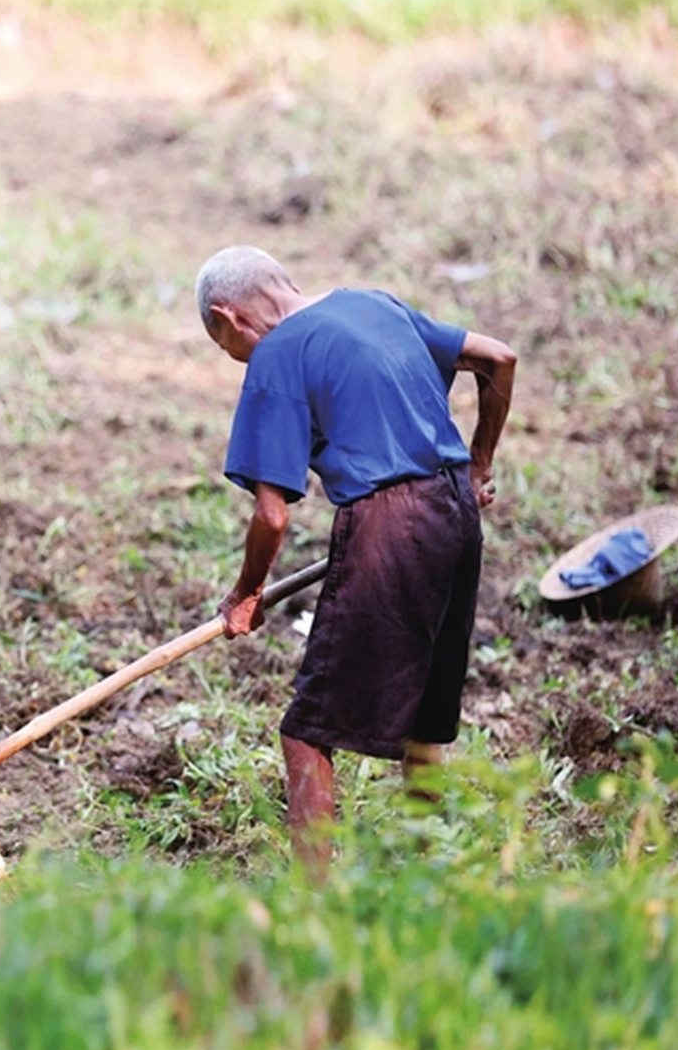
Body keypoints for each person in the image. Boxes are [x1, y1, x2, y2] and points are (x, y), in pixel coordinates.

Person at [195, 244, 516, 876]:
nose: (238, 357)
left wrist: (246, 594)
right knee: (426, 721)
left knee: (307, 730)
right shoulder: (375, 304)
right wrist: (478, 463)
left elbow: (272, 515)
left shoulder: (277, 353)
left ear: (228, 317)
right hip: (456, 514)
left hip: (389, 526)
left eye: (225, 345)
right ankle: (428, 873)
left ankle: (315, 901)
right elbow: (497, 358)